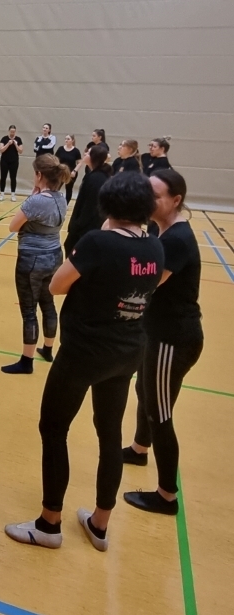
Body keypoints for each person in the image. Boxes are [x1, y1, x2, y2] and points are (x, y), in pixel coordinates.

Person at [5, 172, 164, 552]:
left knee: (53, 428)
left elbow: (57, 285)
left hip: (85, 352)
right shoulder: (155, 247)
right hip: (128, 352)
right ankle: (100, 524)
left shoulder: (97, 242)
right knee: (109, 434)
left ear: (108, 204)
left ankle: (49, 523)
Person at [123, 169, 203, 516]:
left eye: (155, 196)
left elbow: (148, 284)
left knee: (159, 412)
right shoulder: (160, 230)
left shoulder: (176, 240)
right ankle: (139, 449)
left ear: (176, 200)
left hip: (173, 338)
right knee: (144, 391)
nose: (147, 200)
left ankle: (166, 496)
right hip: (157, 331)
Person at [1, 154, 70, 376]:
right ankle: (48, 349)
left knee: (29, 309)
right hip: (54, 255)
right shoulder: (61, 198)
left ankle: (26, 360)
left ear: (39, 175)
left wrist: (32, 198)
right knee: (48, 304)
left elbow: (13, 226)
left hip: (32, 258)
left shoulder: (36, 201)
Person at [64, 143, 111, 255]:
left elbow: (90, 206)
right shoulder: (93, 174)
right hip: (85, 226)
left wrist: (77, 225)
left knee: (73, 250)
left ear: (93, 158)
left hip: (86, 227)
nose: (85, 154)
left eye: (88, 153)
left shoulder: (96, 178)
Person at [0, 125, 23, 201]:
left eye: (13, 132)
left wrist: (15, 144)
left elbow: (20, 151)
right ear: (9, 131)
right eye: (11, 131)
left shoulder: (18, 139)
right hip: (4, 161)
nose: (12, 133)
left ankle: (13, 194)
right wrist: (8, 144)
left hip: (14, 161)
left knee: (13, 178)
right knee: (3, 177)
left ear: (15, 132)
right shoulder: (4, 139)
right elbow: (1, 150)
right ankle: (2, 194)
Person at [55, 135, 82, 204]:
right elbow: (55, 159)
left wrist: (74, 171)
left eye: (68, 139)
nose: (66, 140)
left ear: (72, 140)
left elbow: (79, 163)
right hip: (61, 172)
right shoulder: (60, 149)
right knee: (56, 187)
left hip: (71, 173)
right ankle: (55, 202)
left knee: (69, 189)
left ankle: (66, 204)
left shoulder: (76, 151)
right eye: (65, 139)